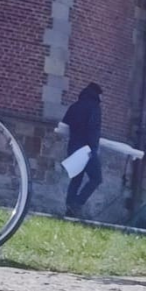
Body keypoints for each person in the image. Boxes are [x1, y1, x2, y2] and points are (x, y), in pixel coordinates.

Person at [64, 82, 103, 217]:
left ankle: (70, 206)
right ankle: (77, 203)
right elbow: (93, 129)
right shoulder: (94, 108)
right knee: (96, 178)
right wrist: (93, 148)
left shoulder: (75, 106)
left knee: (76, 178)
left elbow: (65, 124)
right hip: (87, 149)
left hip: (73, 147)